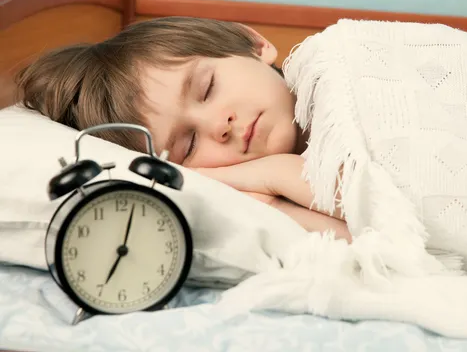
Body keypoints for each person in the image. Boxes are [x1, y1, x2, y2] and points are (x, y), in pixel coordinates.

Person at [15, 17, 351, 241]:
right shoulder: (255, 203)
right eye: (188, 145)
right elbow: (385, 232)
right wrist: (271, 185)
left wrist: (279, 172)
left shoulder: (348, 74)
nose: (218, 126)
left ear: (253, 43)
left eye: (207, 88)